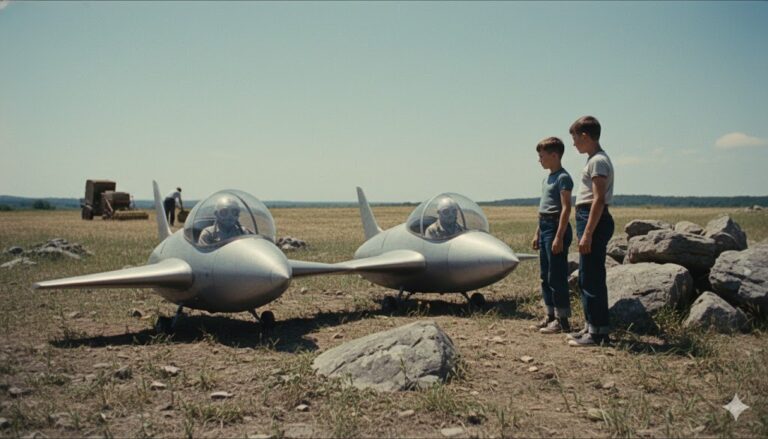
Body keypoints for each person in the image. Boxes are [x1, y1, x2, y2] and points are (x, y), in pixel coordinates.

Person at [566, 116, 615, 347]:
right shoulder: (593, 160)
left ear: (585, 136)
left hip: (593, 218)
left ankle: (598, 334)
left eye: (575, 138)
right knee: (586, 276)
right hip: (587, 217)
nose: (573, 143)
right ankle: (590, 326)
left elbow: (598, 200)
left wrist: (587, 233)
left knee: (593, 277)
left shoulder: (598, 162)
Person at [531, 137, 574, 334]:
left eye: (542, 156)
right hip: (545, 226)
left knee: (556, 276)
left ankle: (562, 319)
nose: (539, 160)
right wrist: (537, 232)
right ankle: (549, 315)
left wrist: (559, 236)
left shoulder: (563, 178)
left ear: (554, 155)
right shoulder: (546, 178)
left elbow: (565, 209)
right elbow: (544, 209)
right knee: (544, 275)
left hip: (557, 227)